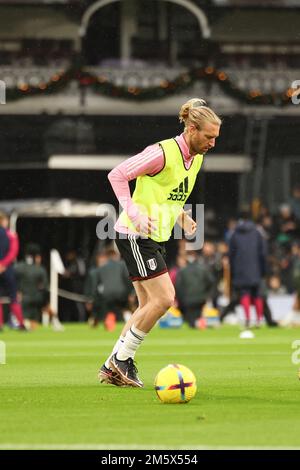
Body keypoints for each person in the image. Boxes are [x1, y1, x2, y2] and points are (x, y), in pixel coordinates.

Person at [98, 98, 221, 387]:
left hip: (155, 236)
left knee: (146, 306)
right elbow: (117, 174)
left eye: (216, 137)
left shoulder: (197, 157)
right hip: (136, 234)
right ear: (192, 129)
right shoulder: (162, 152)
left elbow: (166, 192)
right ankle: (123, 359)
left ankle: (111, 365)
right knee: (164, 298)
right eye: (209, 137)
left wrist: (181, 216)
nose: (213, 143)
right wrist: (133, 211)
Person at [229, 212, 267, 328]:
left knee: (244, 293)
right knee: (257, 294)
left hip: (240, 269)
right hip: (256, 268)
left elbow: (231, 254)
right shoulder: (257, 233)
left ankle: (247, 319)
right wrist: (263, 269)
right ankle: (259, 320)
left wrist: (233, 269)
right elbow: (263, 253)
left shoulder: (235, 234)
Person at [0, 212, 25, 331]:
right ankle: (21, 324)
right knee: (13, 297)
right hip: (7, 268)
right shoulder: (11, 235)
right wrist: (3, 264)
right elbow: (13, 252)